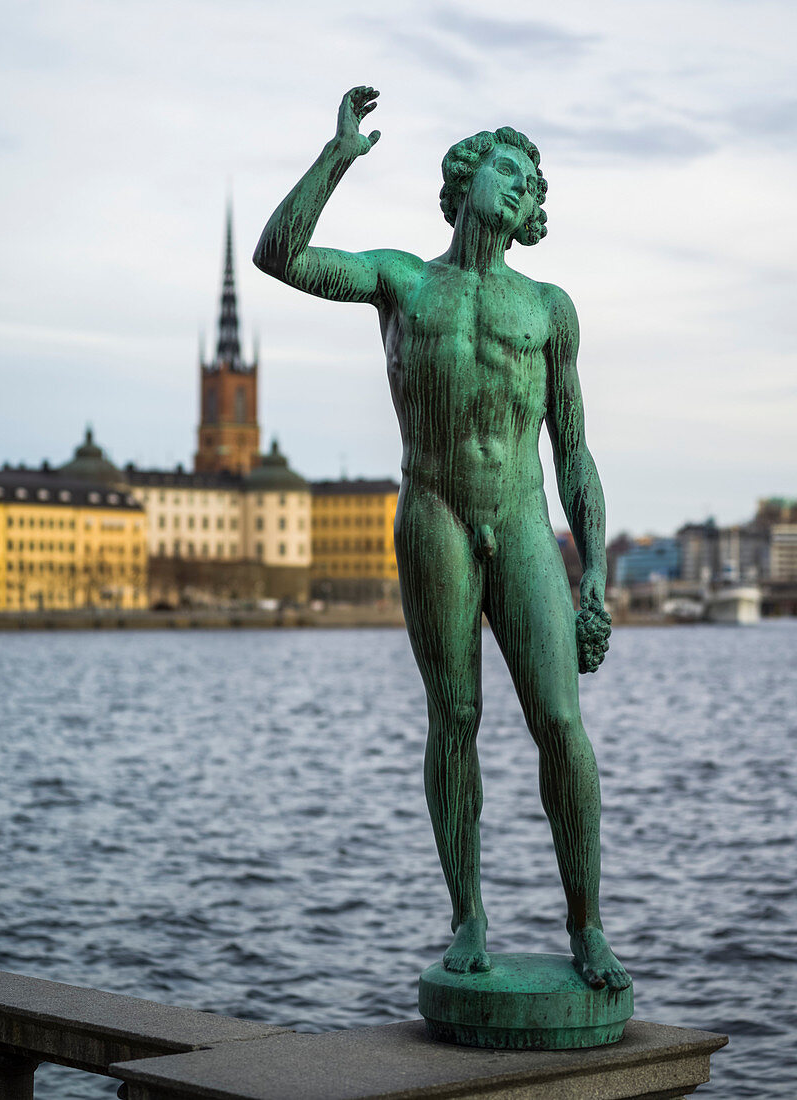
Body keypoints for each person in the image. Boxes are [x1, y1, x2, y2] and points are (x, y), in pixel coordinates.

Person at [254, 86, 630, 991]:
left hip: (523, 519)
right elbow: (280, 255)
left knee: (560, 728)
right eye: (508, 168)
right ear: (467, 178)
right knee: (453, 719)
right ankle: (467, 918)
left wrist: (595, 580)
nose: (520, 186)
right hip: (434, 516)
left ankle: (588, 927)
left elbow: (576, 453)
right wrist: (337, 156)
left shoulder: (549, 307)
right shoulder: (403, 281)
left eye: (532, 181)